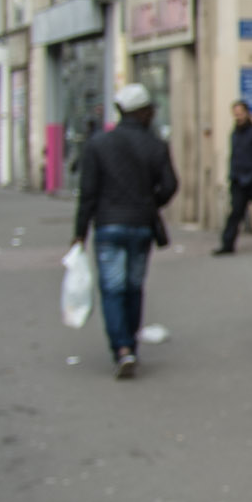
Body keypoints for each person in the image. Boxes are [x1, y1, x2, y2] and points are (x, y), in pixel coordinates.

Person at [72, 83, 178, 380]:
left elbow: (88, 192)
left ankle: (122, 349)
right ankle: (129, 343)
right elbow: (170, 186)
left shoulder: (98, 144)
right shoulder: (156, 145)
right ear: (144, 112)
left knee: (112, 289)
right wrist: (149, 203)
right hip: (141, 225)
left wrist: (80, 232)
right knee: (133, 287)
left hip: (108, 224)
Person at [215, 101, 252, 256]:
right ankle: (227, 244)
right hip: (238, 179)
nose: (238, 116)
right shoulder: (235, 132)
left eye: (240, 112)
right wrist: (232, 175)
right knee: (235, 212)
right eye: (236, 113)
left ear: (247, 112)